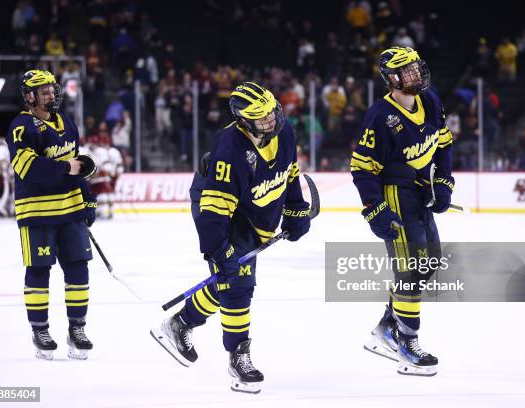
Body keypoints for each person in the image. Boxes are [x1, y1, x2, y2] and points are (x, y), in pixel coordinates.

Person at [151, 82, 311, 394]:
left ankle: (181, 323)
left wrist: (296, 208)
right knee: (238, 285)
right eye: (263, 118)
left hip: (252, 210)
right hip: (221, 210)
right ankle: (239, 356)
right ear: (245, 121)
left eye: (273, 112)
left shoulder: (285, 131)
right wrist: (218, 252)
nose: (273, 120)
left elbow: (289, 172)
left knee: (230, 279)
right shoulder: (231, 149)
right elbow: (213, 212)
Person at [350, 47, 454, 376]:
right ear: (392, 79)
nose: (416, 75)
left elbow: (443, 142)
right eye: (407, 72)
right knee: (410, 269)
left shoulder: (431, 100)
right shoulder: (381, 117)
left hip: (420, 191)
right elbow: (362, 168)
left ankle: (386, 328)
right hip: (395, 194)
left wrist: (445, 181)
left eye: (417, 68)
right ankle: (407, 343)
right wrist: (375, 210)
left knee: (429, 263)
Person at [6, 70, 98, 360]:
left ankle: (77, 329)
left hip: (70, 210)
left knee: (78, 269)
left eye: (51, 89)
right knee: (38, 270)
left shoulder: (67, 123)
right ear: (29, 97)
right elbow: (27, 169)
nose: (51, 95)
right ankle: (40, 329)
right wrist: (65, 168)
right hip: (37, 213)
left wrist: (88, 198)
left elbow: (76, 166)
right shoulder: (21, 127)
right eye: (43, 91)